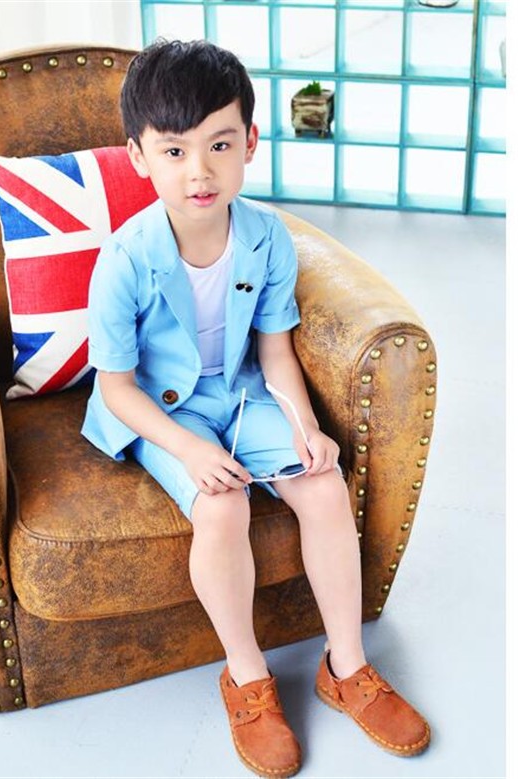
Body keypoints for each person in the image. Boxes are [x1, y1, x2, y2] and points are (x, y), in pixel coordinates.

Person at [81, 38, 430, 778]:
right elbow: (116, 388)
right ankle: (246, 675)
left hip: (240, 390)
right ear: (139, 157)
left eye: (219, 144)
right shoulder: (124, 259)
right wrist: (190, 449)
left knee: (323, 483)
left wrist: (306, 428)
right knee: (222, 506)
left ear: (250, 143)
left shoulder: (267, 236)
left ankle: (346, 666)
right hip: (161, 410)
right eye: (174, 151)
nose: (199, 171)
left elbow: (275, 353)